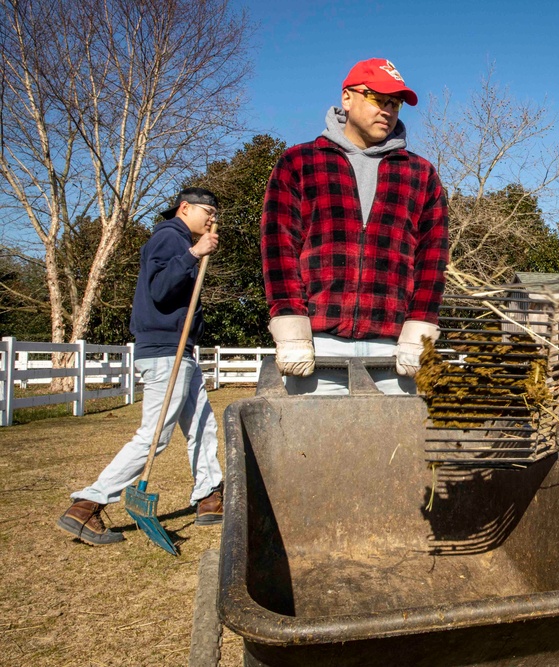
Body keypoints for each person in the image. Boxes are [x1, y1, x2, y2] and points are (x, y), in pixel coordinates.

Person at [261, 58, 448, 395]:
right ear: (347, 98)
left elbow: (433, 261)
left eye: (396, 103)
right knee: (312, 447)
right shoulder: (299, 163)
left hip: (393, 348)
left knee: (395, 447)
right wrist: (292, 331)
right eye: (378, 98)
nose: (388, 110)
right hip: (318, 346)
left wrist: (418, 335)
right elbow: (279, 252)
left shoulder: (420, 174)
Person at [57, 188, 225, 546]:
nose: (212, 218)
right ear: (185, 208)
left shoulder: (177, 240)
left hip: (181, 349)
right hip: (166, 350)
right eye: (207, 211)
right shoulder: (169, 238)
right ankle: (88, 504)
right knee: (154, 435)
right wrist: (194, 253)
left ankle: (208, 496)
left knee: (201, 423)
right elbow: (161, 290)